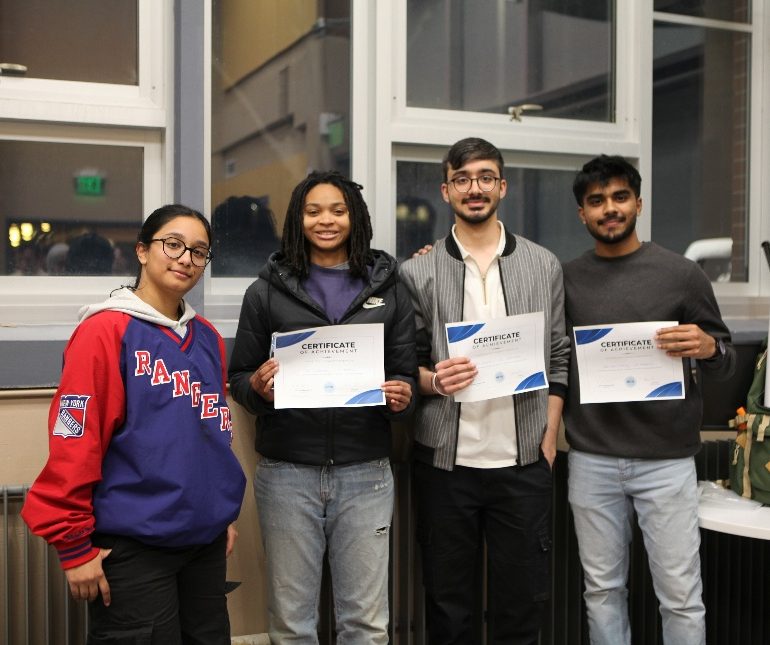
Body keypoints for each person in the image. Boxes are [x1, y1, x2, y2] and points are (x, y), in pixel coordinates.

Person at [21, 204, 247, 645]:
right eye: (173, 245)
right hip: (134, 547)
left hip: (203, 545)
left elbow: (210, 433)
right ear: (142, 251)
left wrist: (219, 515)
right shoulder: (104, 331)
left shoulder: (207, 338)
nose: (186, 259)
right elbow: (75, 438)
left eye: (199, 252)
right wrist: (73, 547)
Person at [228, 170, 417, 643]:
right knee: (291, 624)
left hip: (366, 471)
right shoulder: (266, 291)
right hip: (287, 472)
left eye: (338, 210)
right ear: (298, 219)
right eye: (314, 211)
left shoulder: (389, 287)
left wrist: (401, 396)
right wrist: (257, 387)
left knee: (366, 624)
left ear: (355, 218)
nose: (326, 220)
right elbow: (239, 379)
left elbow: (405, 375)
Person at [399, 137, 570, 644]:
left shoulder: (544, 265)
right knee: (449, 607)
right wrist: (433, 380)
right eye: (463, 179)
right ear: (446, 189)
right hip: (446, 464)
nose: (475, 188)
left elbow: (558, 353)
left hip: (522, 460)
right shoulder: (417, 271)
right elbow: (403, 364)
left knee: (522, 605)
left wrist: (551, 431)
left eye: (486, 177)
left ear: (503, 186)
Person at [563, 155, 736, 645]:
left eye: (619, 197)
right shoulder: (567, 278)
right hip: (592, 460)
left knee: (680, 595)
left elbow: (723, 359)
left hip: (667, 461)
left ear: (638, 203)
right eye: (596, 201)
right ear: (583, 214)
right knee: (601, 591)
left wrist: (708, 347)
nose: (609, 209)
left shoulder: (682, 275)